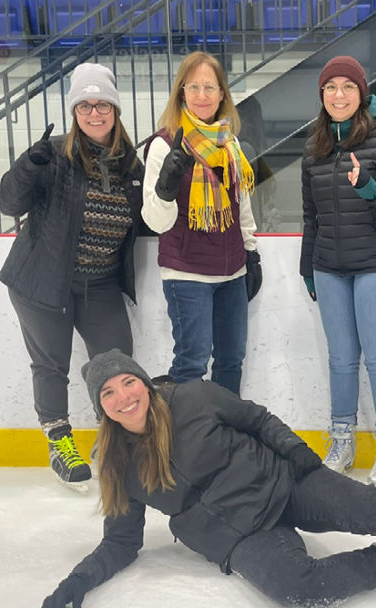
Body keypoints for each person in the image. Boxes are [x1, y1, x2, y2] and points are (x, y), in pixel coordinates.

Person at [40, 349, 376, 608]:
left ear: (144, 383)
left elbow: (257, 419)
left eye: (129, 382)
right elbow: (121, 542)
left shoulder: (192, 397)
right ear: (100, 409)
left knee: (374, 506)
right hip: (242, 537)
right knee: (296, 589)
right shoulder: (115, 466)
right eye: (109, 394)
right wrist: (75, 585)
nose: (124, 396)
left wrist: (300, 455)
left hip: (282, 483)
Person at [0, 63, 148, 492]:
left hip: (99, 283)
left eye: (102, 104)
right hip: (43, 280)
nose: (94, 113)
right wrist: (29, 165)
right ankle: (60, 443)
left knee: (117, 363)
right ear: (74, 110)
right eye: (84, 105)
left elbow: (147, 220)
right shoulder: (54, 155)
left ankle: (115, 441)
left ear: (115, 110)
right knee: (51, 364)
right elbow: (8, 203)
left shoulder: (132, 164)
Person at [299, 56, 376, 488]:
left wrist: (372, 189)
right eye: (330, 87)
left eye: (347, 87)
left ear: (362, 92)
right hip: (331, 267)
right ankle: (343, 440)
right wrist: (308, 267)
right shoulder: (314, 146)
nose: (339, 95)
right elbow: (310, 216)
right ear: (322, 95)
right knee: (340, 361)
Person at [142, 51, 261, 396]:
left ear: (223, 94)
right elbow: (155, 221)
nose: (202, 95)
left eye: (210, 87)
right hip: (187, 274)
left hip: (232, 274)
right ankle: (189, 443)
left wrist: (250, 252)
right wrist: (167, 185)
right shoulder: (165, 145)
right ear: (181, 92)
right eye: (193, 86)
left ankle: (226, 440)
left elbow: (242, 203)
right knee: (192, 362)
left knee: (231, 361)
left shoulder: (230, 144)